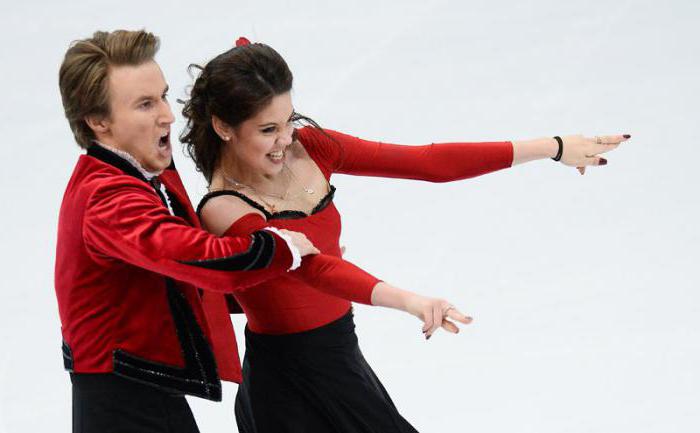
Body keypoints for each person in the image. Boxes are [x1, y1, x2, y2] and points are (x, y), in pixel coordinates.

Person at [181, 38, 629, 432]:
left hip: (340, 358)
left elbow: (425, 162)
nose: (285, 139)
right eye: (267, 130)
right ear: (223, 127)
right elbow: (318, 270)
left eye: (288, 120)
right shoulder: (224, 209)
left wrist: (550, 147)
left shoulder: (311, 148)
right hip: (287, 382)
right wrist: (412, 301)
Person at [54, 29, 328, 433]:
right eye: (145, 104)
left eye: (163, 96)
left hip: (143, 387)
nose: (167, 115)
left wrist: (275, 286)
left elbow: (176, 283)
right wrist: (275, 249)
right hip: (120, 400)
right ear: (98, 121)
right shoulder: (107, 197)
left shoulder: (143, 172)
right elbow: (187, 253)